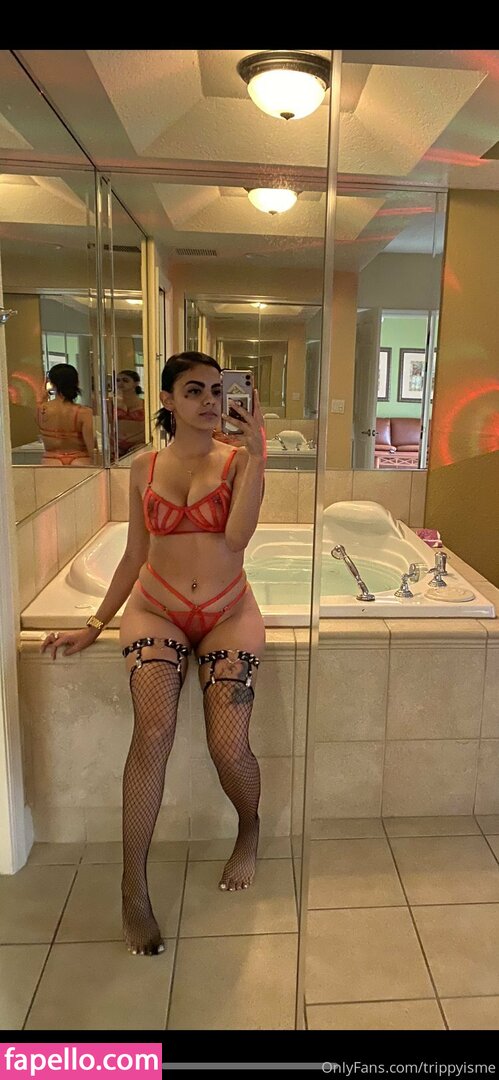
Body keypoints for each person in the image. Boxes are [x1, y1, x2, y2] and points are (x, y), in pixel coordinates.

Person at [42, 351, 267, 957]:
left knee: (229, 745)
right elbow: (133, 553)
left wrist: (259, 456)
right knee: (152, 733)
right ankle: (132, 888)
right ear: (166, 399)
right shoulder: (143, 465)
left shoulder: (240, 461)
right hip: (156, 609)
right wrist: (94, 624)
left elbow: (238, 538)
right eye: (194, 390)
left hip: (228, 611)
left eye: (217, 390)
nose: (210, 401)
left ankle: (249, 828)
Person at [37, 364, 94, 466]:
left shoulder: (40, 410)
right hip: (79, 459)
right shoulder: (84, 412)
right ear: (76, 382)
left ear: (51, 383)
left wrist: (41, 398)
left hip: (51, 459)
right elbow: (92, 447)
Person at [115, 369, 145, 456]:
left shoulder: (144, 403)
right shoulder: (111, 403)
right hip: (115, 445)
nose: (120, 383)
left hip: (138, 444)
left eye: (125, 380)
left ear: (136, 383)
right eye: (117, 380)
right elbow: (108, 425)